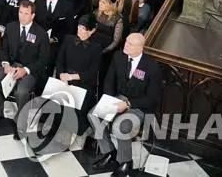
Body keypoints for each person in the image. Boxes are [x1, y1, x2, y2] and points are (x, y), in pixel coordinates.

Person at [89, 33, 163, 177]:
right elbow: (109, 81)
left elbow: (153, 98)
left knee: (120, 126)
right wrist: (109, 100)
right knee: (93, 115)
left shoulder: (151, 66)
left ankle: (125, 162)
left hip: (138, 106)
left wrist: (128, 104)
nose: (125, 45)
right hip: (118, 98)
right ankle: (110, 152)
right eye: (126, 41)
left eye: (130, 44)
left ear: (140, 48)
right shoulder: (118, 57)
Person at [0, 1, 50, 135]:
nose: (22, 16)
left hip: (29, 69)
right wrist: (5, 64)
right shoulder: (10, 27)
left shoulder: (41, 33)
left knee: (21, 92)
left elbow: (43, 60)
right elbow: (3, 49)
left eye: (26, 13)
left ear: (32, 15)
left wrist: (25, 70)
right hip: (10, 64)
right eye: (20, 12)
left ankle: (21, 123)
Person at [55, 14, 101, 102]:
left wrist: (71, 77)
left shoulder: (96, 48)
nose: (79, 30)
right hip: (63, 78)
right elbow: (59, 60)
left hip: (82, 83)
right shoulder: (68, 39)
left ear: (91, 31)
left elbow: (92, 72)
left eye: (83, 28)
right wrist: (61, 75)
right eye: (79, 27)